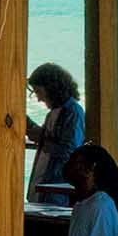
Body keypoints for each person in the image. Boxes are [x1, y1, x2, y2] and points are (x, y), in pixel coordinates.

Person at [25, 63, 86, 205]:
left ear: (51, 88)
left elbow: (70, 151)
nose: (39, 98)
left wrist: (42, 139)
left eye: (38, 92)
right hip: (43, 188)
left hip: (57, 191)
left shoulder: (73, 112)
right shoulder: (52, 114)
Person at [62, 143, 118, 236]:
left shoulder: (101, 205)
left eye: (75, 163)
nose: (69, 166)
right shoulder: (81, 204)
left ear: (91, 168)